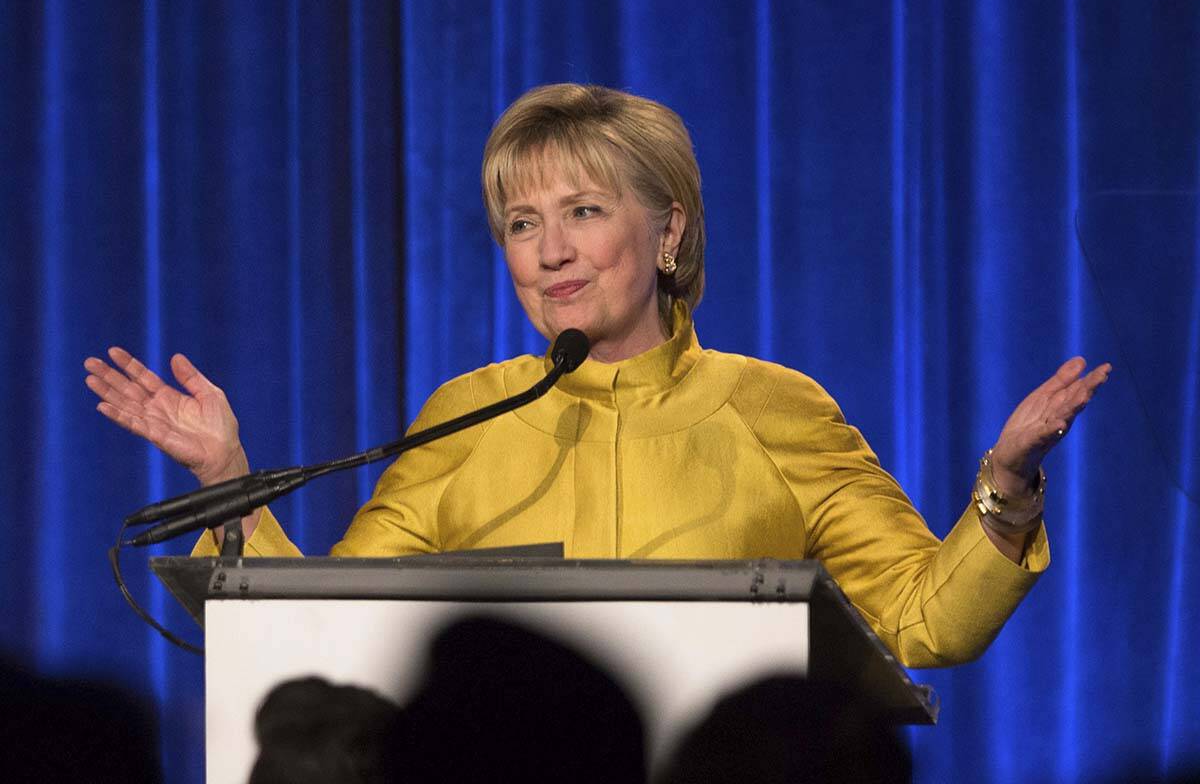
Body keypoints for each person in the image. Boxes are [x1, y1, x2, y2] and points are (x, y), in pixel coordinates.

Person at [84, 83, 1111, 668]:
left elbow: (924, 623)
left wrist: (1007, 487)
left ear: (668, 232)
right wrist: (228, 477)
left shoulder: (776, 409)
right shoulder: (466, 417)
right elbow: (327, 635)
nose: (550, 252)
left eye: (583, 212)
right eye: (522, 223)